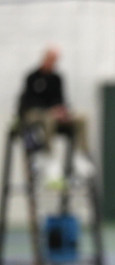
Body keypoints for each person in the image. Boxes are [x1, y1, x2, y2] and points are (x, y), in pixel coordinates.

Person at [16, 47, 93, 184]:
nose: (53, 63)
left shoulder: (57, 78)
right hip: (35, 113)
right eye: (51, 59)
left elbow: (60, 98)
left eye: (55, 60)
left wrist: (62, 110)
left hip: (55, 113)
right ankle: (50, 157)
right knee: (49, 118)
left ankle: (80, 155)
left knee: (82, 118)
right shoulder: (32, 77)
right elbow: (30, 101)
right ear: (44, 59)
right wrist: (51, 111)